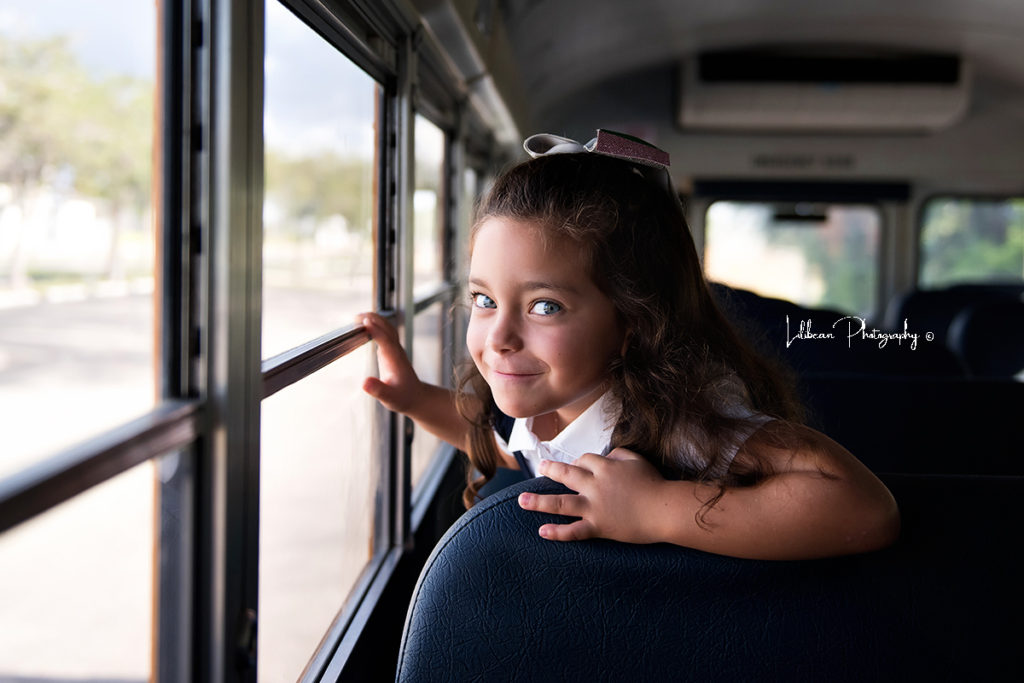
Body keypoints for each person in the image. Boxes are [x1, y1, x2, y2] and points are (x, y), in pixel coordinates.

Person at [360, 130, 900, 561]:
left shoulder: (681, 424)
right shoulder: (549, 404)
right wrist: (413, 400)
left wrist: (657, 510)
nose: (498, 337)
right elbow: (510, 449)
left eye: (544, 305)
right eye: (484, 299)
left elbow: (862, 507)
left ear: (632, 321)